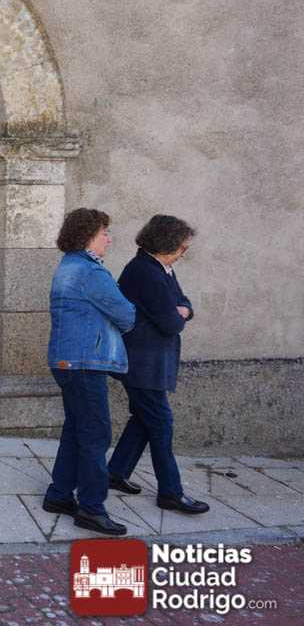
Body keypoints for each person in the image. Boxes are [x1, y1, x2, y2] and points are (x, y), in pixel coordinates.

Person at [41, 208, 136, 536]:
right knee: (96, 433)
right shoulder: (90, 272)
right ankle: (92, 508)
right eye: (104, 233)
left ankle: (59, 495)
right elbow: (126, 315)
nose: (109, 238)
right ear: (87, 236)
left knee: (76, 428)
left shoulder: (68, 266)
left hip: (68, 361)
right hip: (84, 362)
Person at [107, 216, 209, 514]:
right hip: (142, 363)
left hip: (150, 361)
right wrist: (180, 312)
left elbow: (184, 303)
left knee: (143, 418)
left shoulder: (159, 267)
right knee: (161, 423)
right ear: (166, 244)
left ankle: (115, 473)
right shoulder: (145, 272)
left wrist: (182, 310)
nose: (183, 253)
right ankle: (170, 493)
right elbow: (170, 323)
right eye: (182, 248)